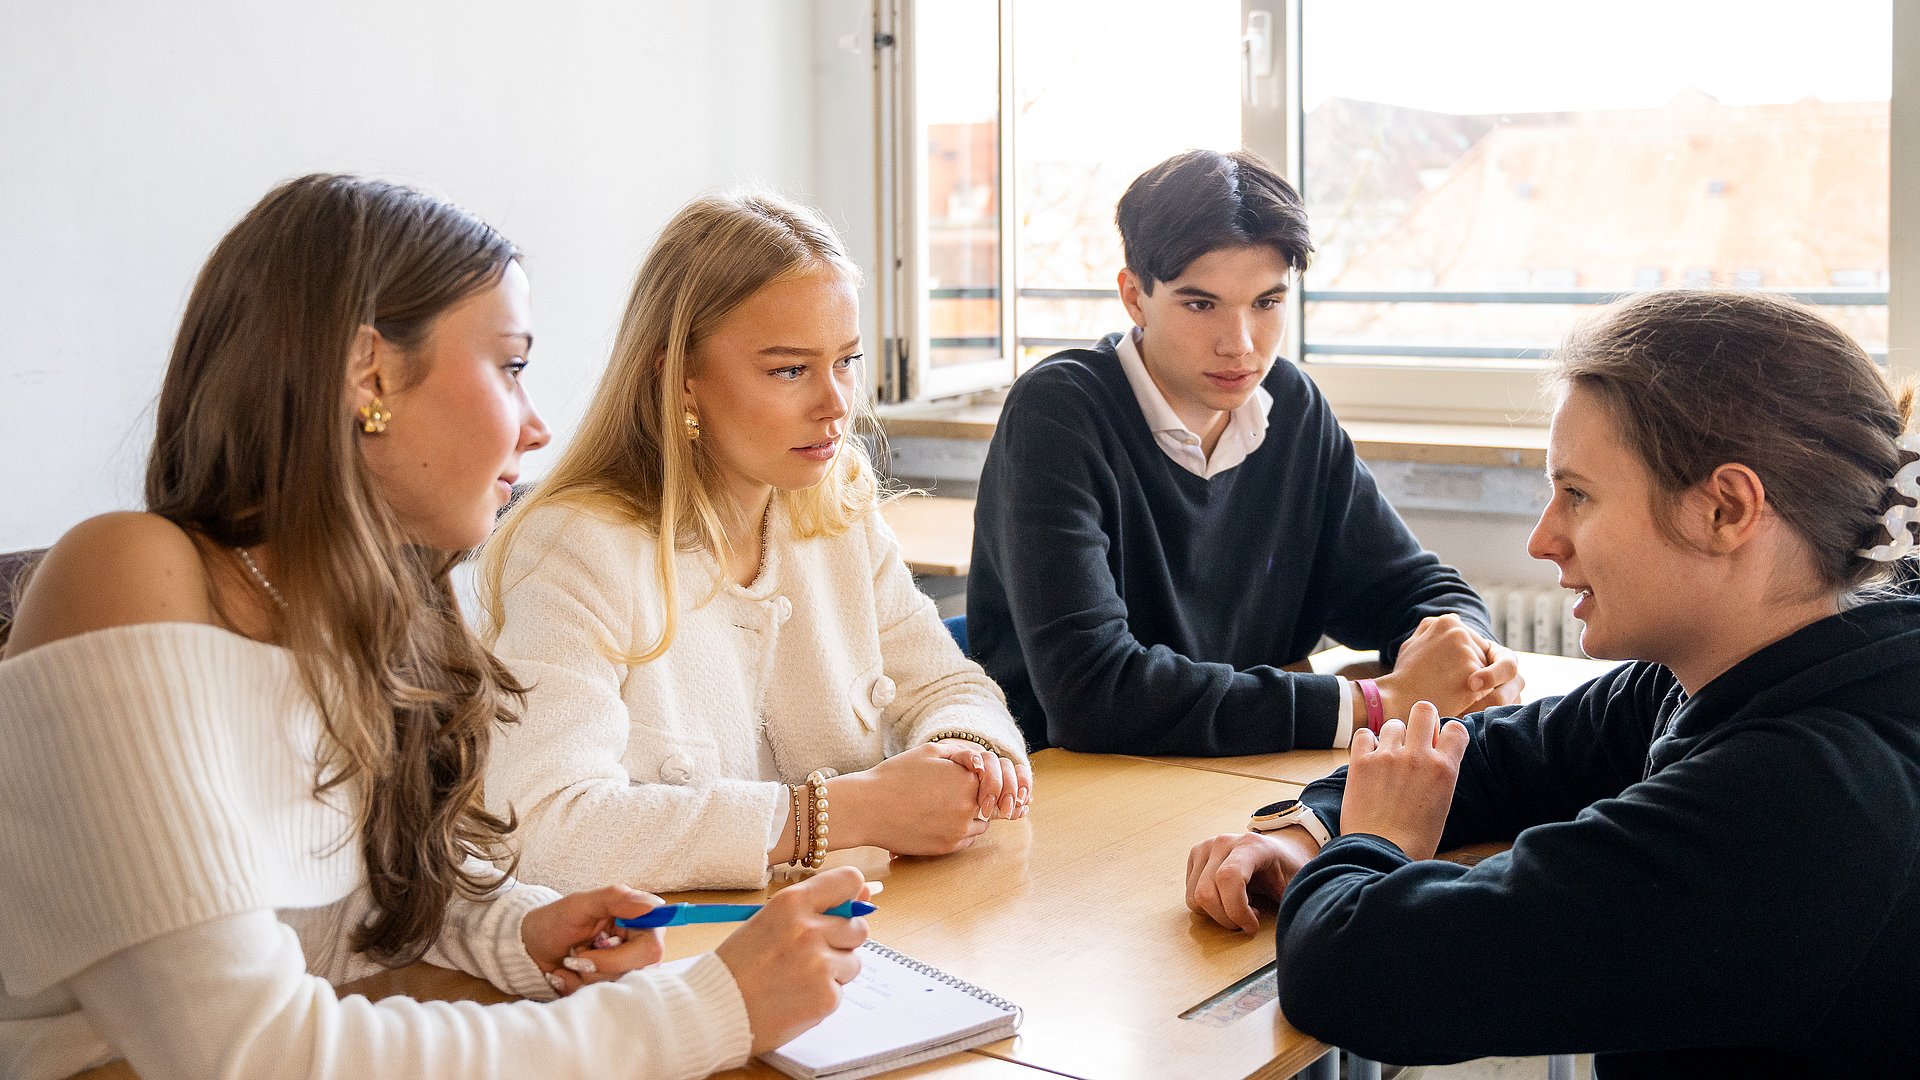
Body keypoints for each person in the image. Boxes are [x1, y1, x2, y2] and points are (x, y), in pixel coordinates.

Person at [0, 175, 871, 1080]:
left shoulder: (379, 600)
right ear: (370, 375)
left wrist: (510, 930)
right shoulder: (127, 570)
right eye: (511, 366)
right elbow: (247, 1050)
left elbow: (325, 919)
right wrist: (708, 1007)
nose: (536, 429)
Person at [1185, 290, 1920, 1077]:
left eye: (1578, 494)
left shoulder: (1797, 801)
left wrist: (1375, 843)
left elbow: (1350, 973)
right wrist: (1308, 829)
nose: (1543, 539)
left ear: (1726, 509)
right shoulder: (1786, 663)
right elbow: (1514, 752)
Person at [477, 192, 1030, 895]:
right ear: (679, 380)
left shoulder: (836, 505)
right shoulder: (578, 547)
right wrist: (843, 813)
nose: (837, 404)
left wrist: (969, 752)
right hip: (663, 970)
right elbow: (545, 832)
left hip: (843, 938)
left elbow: (949, 686)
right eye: (790, 370)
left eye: (847, 361)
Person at [968, 148, 1519, 757]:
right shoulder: (1060, 412)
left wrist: (1468, 658)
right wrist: (1373, 706)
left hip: (1241, 772)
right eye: (1200, 304)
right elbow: (1093, 695)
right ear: (1134, 297)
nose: (1241, 345)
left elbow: (1411, 586)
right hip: (1066, 788)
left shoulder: (1290, 405)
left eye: (1267, 303)